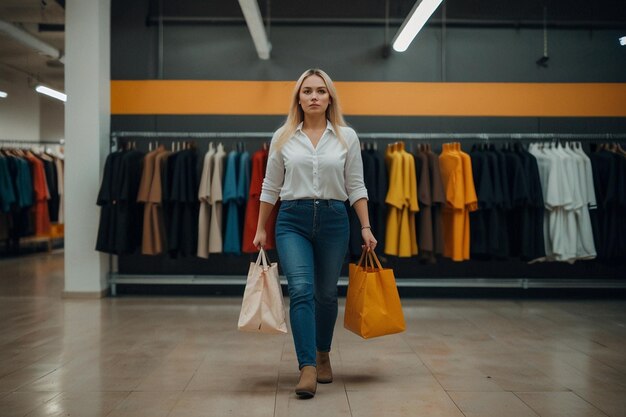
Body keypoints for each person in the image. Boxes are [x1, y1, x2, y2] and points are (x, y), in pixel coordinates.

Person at [253, 68, 377, 399]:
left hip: (335, 219)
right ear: (298, 97)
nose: (313, 97)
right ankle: (306, 366)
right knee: (302, 289)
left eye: (320, 91)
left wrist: (364, 226)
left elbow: (356, 185)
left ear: (330, 97)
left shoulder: (346, 136)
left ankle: (323, 353)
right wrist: (261, 227)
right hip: (292, 220)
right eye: (307, 91)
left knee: (325, 293)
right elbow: (270, 185)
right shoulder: (282, 136)